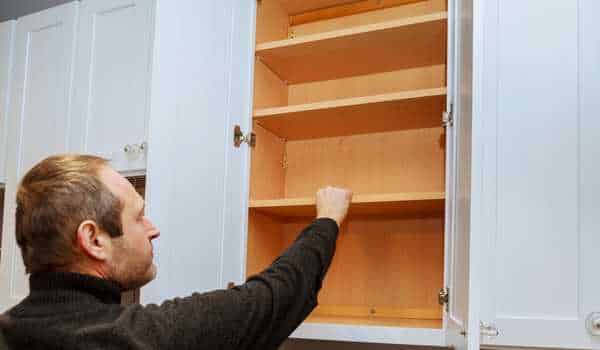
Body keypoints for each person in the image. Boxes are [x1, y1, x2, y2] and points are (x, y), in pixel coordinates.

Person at [0, 154, 352, 349]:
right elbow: (277, 295)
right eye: (139, 216)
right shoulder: (140, 339)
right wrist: (328, 218)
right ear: (94, 240)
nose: (153, 229)